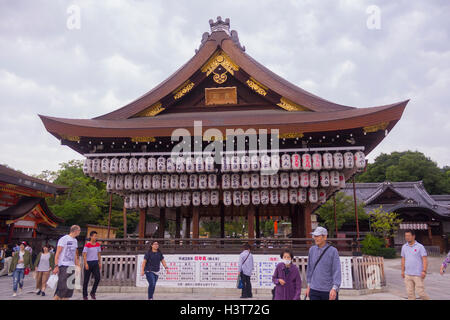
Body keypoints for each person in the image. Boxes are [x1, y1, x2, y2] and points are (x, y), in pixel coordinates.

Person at [305, 226, 341, 300]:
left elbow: (336, 270)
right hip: (314, 289)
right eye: (314, 236)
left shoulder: (333, 251)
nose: (315, 238)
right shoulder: (312, 250)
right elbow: (309, 269)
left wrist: (334, 288)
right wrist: (309, 286)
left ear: (325, 237)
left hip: (328, 290)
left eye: (318, 236)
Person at [52, 225, 81, 300]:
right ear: (75, 231)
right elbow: (58, 253)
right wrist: (56, 265)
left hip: (71, 265)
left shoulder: (75, 241)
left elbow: (75, 254)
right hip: (63, 265)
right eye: (79, 230)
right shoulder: (63, 239)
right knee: (62, 287)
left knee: (69, 288)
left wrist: (77, 265)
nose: (80, 232)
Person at [401, 229, 430, 300]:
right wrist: (402, 271)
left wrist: (424, 270)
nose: (407, 237)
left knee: (421, 293)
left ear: (413, 236)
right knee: (410, 294)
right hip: (407, 274)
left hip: (418, 274)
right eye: (406, 236)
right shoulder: (404, 247)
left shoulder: (420, 247)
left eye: (408, 236)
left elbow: (424, 259)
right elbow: (403, 259)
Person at [82, 231, 102, 300]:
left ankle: (93, 292)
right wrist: (86, 264)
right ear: (91, 236)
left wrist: (100, 262)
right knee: (86, 280)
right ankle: (85, 295)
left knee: (98, 278)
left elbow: (99, 254)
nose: (96, 237)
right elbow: (84, 255)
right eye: (94, 236)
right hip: (88, 263)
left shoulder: (98, 245)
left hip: (95, 263)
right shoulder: (87, 245)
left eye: (96, 236)